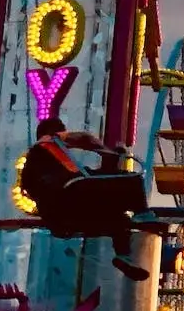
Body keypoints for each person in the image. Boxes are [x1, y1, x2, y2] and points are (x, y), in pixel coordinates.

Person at [19, 116, 149, 279]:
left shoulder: (51, 163)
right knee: (132, 179)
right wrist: (103, 149)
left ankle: (124, 255)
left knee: (117, 216)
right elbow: (84, 141)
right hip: (70, 201)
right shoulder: (47, 144)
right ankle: (142, 213)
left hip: (64, 218)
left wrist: (111, 162)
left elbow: (93, 179)